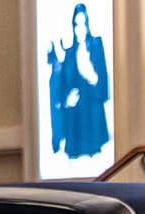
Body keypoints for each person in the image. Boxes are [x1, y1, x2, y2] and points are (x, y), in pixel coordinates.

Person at [48, 4, 112, 162]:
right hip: (75, 126)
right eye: (77, 25)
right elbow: (61, 89)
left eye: (83, 24)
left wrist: (89, 73)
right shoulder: (69, 54)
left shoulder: (97, 46)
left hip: (93, 122)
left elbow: (104, 88)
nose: (80, 30)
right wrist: (67, 101)